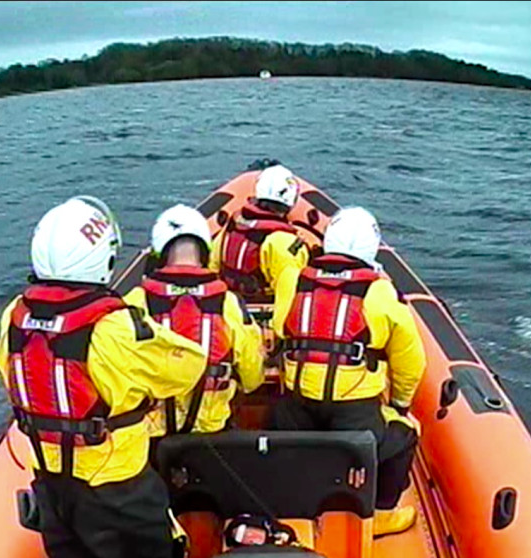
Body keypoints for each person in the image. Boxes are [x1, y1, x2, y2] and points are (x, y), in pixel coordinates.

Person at [0, 195, 207, 558]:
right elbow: (187, 366)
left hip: (53, 486)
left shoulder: (13, 318)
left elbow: (8, 371)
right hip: (119, 491)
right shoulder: (117, 328)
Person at [269, 206, 427, 537]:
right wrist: (399, 404)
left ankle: (287, 497)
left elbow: (279, 327)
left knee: (275, 425)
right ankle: (380, 513)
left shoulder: (292, 279)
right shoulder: (381, 292)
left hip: (297, 407)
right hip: (355, 413)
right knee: (404, 432)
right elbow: (411, 361)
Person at [134, 203, 265, 445]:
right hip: (212, 436)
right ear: (205, 251)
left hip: (150, 440)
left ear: (159, 252)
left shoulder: (133, 304)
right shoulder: (230, 305)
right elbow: (252, 379)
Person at [209, 163, 311, 299]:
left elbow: (213, 264)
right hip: (264, 307)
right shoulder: (284, 242)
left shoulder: (234, 223)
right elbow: (288, 296)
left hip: (229, 303)